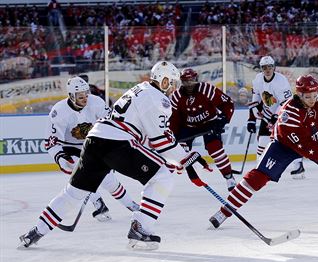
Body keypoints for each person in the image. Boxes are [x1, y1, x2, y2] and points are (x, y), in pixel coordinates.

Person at [19, 62, 210, 250]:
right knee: (163, 176)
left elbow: (150, 138)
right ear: (164, 81)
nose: (173, 89)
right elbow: (160, 140)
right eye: (172, 83)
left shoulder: (140, 89)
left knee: (73, 193)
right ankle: (141, 228)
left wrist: (179, 155)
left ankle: (35, 232)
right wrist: (183, 157)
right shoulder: (157, 99)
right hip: (117, 143)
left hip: (94, 141)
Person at [209, 74, 318, 228]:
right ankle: (225, 211)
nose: (312, 100)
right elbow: (306, 146)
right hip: (285, 144)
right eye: (307, 97)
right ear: (299, 95)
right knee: (258, 177)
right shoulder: (290, 114)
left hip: (317, 135)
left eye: (314, 95)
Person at [45, 76, 139, 222]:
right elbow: (51, 142)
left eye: (86, 93)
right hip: (70, 148)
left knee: (108, 180)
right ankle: (98, 203)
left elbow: (111, 125)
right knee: (78, 173)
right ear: (71, 96)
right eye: (80, 95)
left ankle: (132, 206)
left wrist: (111, 150)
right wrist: (60, 158)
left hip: (93, 144)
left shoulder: (96, 103)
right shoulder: (59, 112)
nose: (85, 98)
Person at [169, 68, 236, 191]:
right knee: (179, 153)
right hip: (188, 126)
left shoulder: (207, 89)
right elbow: (174, 119)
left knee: (215, 149)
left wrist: (223, 120)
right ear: (181, 81)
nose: (189, 84)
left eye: (192, 80)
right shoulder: (176, 96)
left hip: (209, 123)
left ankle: (229, 177)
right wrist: (173, 135)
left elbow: (227, 103)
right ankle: (165, 180)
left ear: (197, 79)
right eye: (186, 81)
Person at [247, 55, 304, 178]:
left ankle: (298, 165)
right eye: (264, 67)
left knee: (287, 141)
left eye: (270, 66)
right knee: (262, 140)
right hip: (268, 113)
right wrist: (252, 118)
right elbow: (255, 98)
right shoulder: (258, 79)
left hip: (286, 114)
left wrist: (275, 116)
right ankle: (259, 168)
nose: (267, 69)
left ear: (274, 67)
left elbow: (287, 103)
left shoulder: (281, 81)